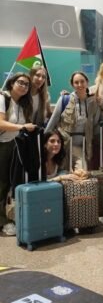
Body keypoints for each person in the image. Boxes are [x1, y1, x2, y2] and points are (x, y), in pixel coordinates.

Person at [0, 73, 36, 236]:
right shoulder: (3, 98)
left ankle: (7, 218)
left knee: (9, 183)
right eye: (20, 82)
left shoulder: (22, 103)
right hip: (3, 145)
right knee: (1, 184)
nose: (23, 86)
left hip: (15, 146)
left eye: (27, 84)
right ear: (11, 82)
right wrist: (21, 127)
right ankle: (2, 222)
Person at [45, 71, 101, 171]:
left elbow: (95, 125)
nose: (80, 85)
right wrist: (44, 141)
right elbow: (53, 121)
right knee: (63, 172)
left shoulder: (94, 102)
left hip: (83, 146)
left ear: (87, 82)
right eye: (76, 82)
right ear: (72, 84)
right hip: (63, 145)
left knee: (82, 172)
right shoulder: (64, 99)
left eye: (82, 81)